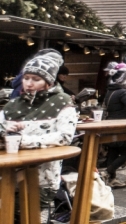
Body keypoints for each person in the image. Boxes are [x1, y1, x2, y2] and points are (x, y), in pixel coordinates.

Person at [2, 50, 77, 206]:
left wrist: (25, 140)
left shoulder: (62, 102)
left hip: (41, 179)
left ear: (48, 82)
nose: (29, 83)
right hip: (7, 175)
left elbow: (64, 137)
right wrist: (4, 128)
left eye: (36, 79)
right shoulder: (13, 105)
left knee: (18, 214)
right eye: (26, 78)